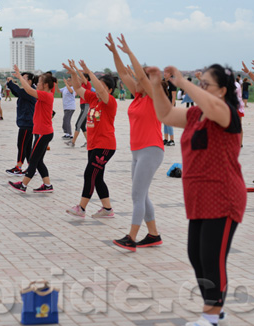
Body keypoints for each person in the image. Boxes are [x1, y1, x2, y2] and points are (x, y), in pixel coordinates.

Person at [146, 63, 246, 326]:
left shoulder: (226, 113)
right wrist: (157, 84)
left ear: (223, 90)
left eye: (206, 85)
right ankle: (218, 311)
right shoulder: (195, 115)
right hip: (198, 198)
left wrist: (182, 81)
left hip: (223, 197)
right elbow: (165, 114)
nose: (200, 90)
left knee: (212, 258)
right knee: (197, 256)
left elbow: (214, 108)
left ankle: (210, 319)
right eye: (199, 85)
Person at [104, 33, 164, 251]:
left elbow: (140, 75)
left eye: (139, 81)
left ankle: (131, 237)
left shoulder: (152, 95)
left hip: (151, 150)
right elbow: (122, 72)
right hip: (138, 152)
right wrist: (115, 53)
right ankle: (154, 235)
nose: (135, 82)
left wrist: (130, 52)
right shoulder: (138, 96)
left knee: (136, 195)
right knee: (142, 194)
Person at [63, 59, 117, 219]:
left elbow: (99, 88)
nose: (99, 89)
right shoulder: (93, 98)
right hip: (93, 145)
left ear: (110, 90)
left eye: (103, 87)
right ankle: (107, 209)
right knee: (97, 177)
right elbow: (78, 88)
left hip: (105, 145)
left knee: (89, 174)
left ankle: (81, 208)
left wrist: (88, 70)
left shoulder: (110, 102)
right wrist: (74, 73)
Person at [8, 65, 55, 193]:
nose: (37, 84)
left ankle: (23, 185)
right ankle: (47, 185)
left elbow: (28, 90)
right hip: (43, 133)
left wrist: (18, 76)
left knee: (33, 161)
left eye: (39, 82)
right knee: (38, 161)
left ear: (45, 85)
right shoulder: (46, 94)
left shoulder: (45, 95)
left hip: (43, 133)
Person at [5, 73, 37, 176]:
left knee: (21, 144)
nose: (21, 80)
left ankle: (18, 167)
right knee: (27, 147)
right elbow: (17, 92)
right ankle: (31, 167)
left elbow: (19, 91)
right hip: (26, 122)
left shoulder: (31, 91)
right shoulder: (27, 91)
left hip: (27, 122)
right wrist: (10, 84)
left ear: (30, 81)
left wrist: (10, 82)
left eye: (23, 78)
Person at [65, 72, 91, 148]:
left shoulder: (87, 84)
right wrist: (72, 71)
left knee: (78, 124)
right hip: (83, 106)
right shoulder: (82, 85)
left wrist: (74, 69)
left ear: (86, 79)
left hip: (86, 106)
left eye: (82, 77)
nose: (81, 79)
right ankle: (89, 142)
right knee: (82, 125)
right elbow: (78, 78)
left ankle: (72, 142)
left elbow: (81, 77)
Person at [163, 70, 177, 146]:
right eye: (164, 72)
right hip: (163, 105)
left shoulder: (172, 82)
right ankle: (165, 139)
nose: (165, 74)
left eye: (167, 72)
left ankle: (172, 140)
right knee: (165, 122)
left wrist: (172, 105)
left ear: (170, 74)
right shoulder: (162, 81)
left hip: (169, 105)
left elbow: (174, 95)